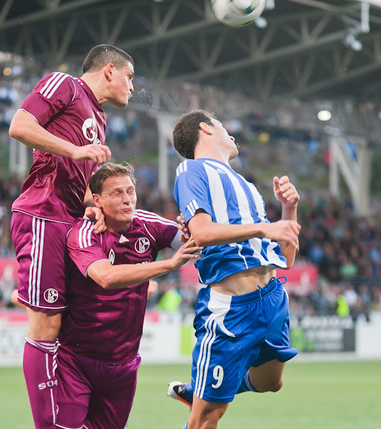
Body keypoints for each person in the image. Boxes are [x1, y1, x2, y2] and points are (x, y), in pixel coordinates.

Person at [8, 44, 134, 428]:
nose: (132, 86)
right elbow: (20, 126)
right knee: (45, 324)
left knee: (63, 325)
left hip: (68, 219)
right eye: (130, 77)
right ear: (109, 70)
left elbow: (75, 179)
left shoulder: (98, 116)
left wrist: (91, 204)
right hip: (43, 213)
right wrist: (76, 150)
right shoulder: (65, 84)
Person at [168, 110, 301, 429]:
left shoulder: (246, 186)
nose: (231, 133)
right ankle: (205, 395)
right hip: (232, 311)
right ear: (205, 128)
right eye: (223, 125)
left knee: (272, 382)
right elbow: (201, 232)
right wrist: (263, 228)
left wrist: (289, 210)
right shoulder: (191, 170)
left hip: (271, 298)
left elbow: (287, 257)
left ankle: (202, 390)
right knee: (206, 419)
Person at [55, 162, 201, 429]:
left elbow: (194, 243)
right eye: (116, 193)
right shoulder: (84, 231)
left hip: (123, 365)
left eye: (130, 191)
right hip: (76, 361)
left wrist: (195, 227)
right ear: (97, 200)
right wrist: (167, 265)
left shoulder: (148, 223)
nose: (126, 200)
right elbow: (106, 277)